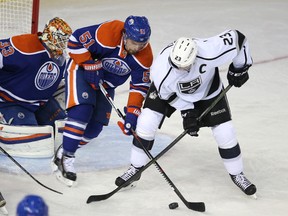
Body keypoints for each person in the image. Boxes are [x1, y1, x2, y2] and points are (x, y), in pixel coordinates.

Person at [115, 30, 257, 197]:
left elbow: (239, 38)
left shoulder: (210, 51)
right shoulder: (161, 71)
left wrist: (240, 67)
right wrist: (188, 113)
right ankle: (135, 167)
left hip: (207, 90)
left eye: (184, 66)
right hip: (170, 92)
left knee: (225, 132)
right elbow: (169, 95)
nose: (179, 69)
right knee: (146, 122)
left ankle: (237, 174)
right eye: (176, 65)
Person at [52, 15, 153, 186]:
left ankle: (65, 149)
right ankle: (66, 159)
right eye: (134, 43)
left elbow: (139, 86)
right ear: (125, 35)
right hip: (81, 70)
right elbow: (75, 41)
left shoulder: (145, 56)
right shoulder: (109, 32)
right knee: (82, 112)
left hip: (106, 84)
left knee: (94, 129)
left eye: (142, 44)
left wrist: (132, 113)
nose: (137, 47)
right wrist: (89, 63)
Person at [0, 17, 72, 128]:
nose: (62, 45)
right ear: (49, 35)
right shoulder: (23, 46)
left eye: (64, 41)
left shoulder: (60, 56)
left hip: (40, 103)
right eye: (59, 40)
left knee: (63, 129)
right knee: (30, 137)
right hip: (10, 102)